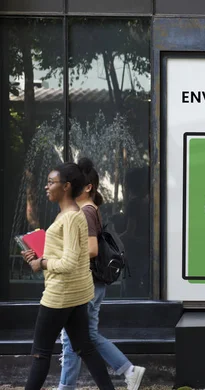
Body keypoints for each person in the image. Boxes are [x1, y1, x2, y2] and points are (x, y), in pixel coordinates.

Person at [21, 162, 114, 390]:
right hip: (75, 294)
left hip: (60, 295)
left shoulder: (72, 217)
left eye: (51, 182)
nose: (46, 186)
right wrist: (39, 254)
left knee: (40, 354)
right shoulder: (68, 214)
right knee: (85, 348)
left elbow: (70, 262)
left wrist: (41, 263)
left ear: (66, 186)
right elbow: (69, 253)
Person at [57, 158, 146, 390]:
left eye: (74, 184)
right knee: (88, 336)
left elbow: (93, 249)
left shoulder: (85, 212)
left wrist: (62, 255)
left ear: (87, 187)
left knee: (71, 339)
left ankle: (65, 387)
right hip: (94, 283)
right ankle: (129, 370)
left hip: (86, 283)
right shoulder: (91, 209)